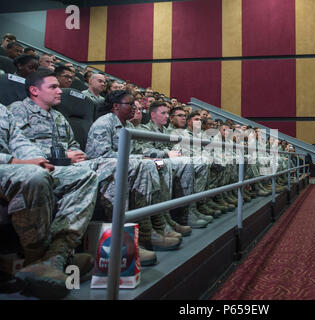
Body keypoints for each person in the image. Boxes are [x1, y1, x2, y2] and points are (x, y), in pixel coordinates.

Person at [9, 70, 158, 264]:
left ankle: (125, 235)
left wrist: (75, 154)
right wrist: (63, 155)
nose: (60, 91)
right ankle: (115, 241)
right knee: (110, 165)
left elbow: (72, 144)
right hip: (42, 165)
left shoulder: (58, 117)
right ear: (34, 90)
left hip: (70, 164)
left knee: (118, 165)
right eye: (53, 87)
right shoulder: (18, 110)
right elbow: (18, 147)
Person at [0, 103, 99, 299]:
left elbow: (20, 142)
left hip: (14, 166)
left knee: (83, 175)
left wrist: (39, 159)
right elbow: (18, 159)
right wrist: (18, 162)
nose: (59, 91)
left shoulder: (2, 110)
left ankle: (56, 256)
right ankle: (36, 259)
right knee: (34, 175)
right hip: (8, 165)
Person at [85, 90, 182, 252]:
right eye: (130, 104)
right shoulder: (104, 123)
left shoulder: (129, 126)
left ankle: (155, 224)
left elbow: (139, 150)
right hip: (102, 167)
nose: (134, 109)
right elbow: (101, 155)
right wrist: (139, 159)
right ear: (116, 106)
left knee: (156, 164)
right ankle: (141, 234)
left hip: (126, 165)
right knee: (145, 165)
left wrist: (148, 158)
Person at [133, 101, 211, 229]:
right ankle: (175, 215)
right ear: (152, 115)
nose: (166, 116)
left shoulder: (167, 131)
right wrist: (167, 153)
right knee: (183, 162)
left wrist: (175, 152)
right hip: (155, 160)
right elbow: (144, 150)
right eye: (163, 113)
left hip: (168, 159)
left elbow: (175, 148)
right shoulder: (145, 129)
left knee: (196, 162)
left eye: (167, 113)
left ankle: (190, 208)